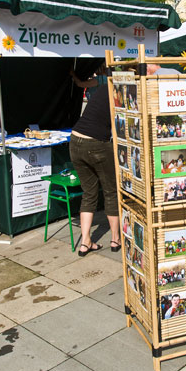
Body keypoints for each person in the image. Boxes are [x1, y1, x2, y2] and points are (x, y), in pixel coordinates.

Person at [68, 83, 121, 256]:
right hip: (96, 142)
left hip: (75, 141)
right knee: (110, 191)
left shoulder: (105, 87)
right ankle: (115, 239)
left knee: (89, 193)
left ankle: (85, 242)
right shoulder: (122, 90)